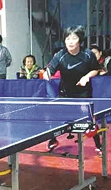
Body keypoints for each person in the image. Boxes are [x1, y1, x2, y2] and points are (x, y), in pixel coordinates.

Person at [43, 26, 102, 155]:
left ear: (79, 41)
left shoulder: (88, 54)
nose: (70, 41)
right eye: (67, 38)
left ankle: (98, 145)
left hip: (83, 93)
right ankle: (53, 140)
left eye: (74, 38)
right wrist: (47, 74)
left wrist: (86, 77)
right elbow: (50, 70)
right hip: (65, 93)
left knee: (89, 122)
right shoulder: (60, 55)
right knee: (55, 117)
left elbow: (96, 69)